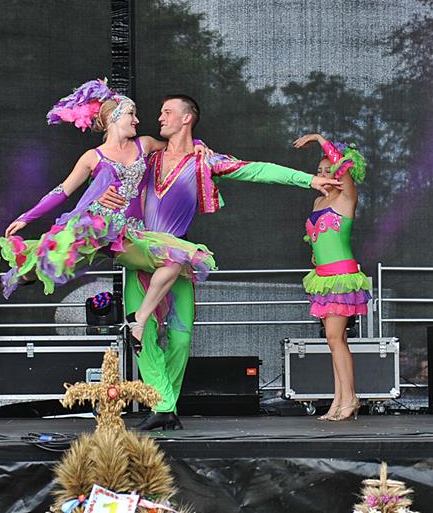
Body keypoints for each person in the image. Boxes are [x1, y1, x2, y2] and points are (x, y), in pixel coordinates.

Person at [99, 95, 342, 430]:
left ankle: (164, 406)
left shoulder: (205, 161)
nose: (160, 117)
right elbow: (112, 168)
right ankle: (163, 406)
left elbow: (256, 170)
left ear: (187, 118)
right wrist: (102, 194)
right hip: (141, 254)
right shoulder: (148, 157)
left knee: (181, 338)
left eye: (167, 112)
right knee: (142, 334)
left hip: (177, 259)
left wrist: (309, 180)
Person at [1, 80, 216, 356]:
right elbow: (62, 191)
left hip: (128, 235)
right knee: (49, 260)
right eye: (131, 114)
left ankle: (138, 322)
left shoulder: (144, 144)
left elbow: (176, 146)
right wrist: (26, 217)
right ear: (115, 117)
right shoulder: (93, 156)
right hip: (95, 227)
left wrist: (198, 144)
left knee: (175, 260)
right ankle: (23, 275)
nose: (137, 120)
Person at [294, 133, 370, 421]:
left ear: (339, 174)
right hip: (323, 276)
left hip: (341, 276)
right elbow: (319, 235)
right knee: (335, 340)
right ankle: (339, 400)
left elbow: (341, 164)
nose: (324, 174)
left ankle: (350, 398)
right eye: (319, 170)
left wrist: (318, 138)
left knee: (334, 337)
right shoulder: (318, 202)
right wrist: (316, 253)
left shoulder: (347, 198)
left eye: (329, 170)